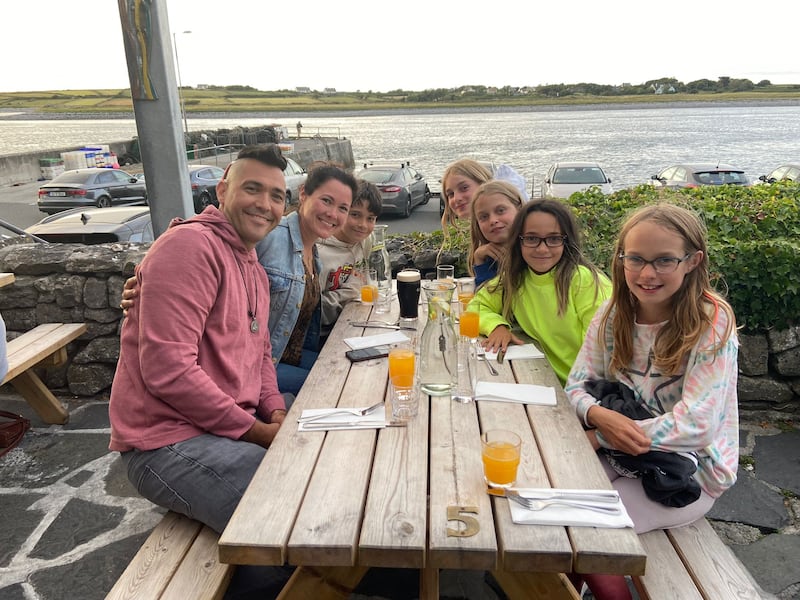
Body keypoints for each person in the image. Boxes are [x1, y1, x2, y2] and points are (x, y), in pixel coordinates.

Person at [109, 144, 290, 535]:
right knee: (284, 504)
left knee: (318, 443)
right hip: (167, 442)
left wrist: (275, 411)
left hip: (225, 424)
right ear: (223, 190)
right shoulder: (189, 247)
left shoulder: (254, 267)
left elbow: (261, 354)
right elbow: (168, 371)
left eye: (276, 196)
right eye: (252, 189)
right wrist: (256, 431)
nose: (265, 204)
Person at [564, 203, 739, 599]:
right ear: (621, 259)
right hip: (625, 455)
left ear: (692, 261)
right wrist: (596, 413)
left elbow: (696, 426)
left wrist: (603, 434)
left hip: (691, 472)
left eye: (664, 260)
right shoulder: (613, 316)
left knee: (589, 534)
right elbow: (576, 386)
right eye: (636, 259)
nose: (647, 274)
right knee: (556, 503)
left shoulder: (711, 322)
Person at [470, 199, 611, 385]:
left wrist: (575, 395)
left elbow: (602, 353)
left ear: (566, 241)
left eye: (553, 239)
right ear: (518, 241)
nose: (542, 249)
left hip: (587, 390)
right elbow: (475, 307)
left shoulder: (586, 282)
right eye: (531, 239)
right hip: (544, 382)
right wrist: (496, 326)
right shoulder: (514, 280)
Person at [255, 163, 357, 396]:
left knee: (354, 368)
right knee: (338, 386)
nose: (333, 214)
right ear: (303, 194)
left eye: (343, 208)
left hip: (292, 354)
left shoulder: (313, 252)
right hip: (261, 365)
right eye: (326, 201)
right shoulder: (270, 237)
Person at [318, 179, 382, 333]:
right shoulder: (319, 253)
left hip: (356, 320)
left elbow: (369, 281)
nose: (362, 225)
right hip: (322, 333)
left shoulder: (367, 240)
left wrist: (350, 292)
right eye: (355, 214)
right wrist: (352, 292)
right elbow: (313, 310)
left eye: (370, 218)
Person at [468, 180, 524, 286]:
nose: (493, 220)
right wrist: (479, 260)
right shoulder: (488, 256)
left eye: (500, 210)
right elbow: (486, 294)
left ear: (519, 209)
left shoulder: (533, 252)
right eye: (484, 217)